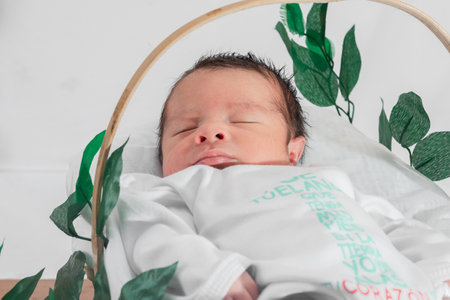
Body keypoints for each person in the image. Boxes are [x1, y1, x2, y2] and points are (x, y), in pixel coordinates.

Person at [105, 53, 450, 299]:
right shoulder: (186, 185)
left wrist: (439, 269)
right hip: (292, 289)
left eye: (241, 121)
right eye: (184, 128)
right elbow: (148, 227)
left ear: (293, 152)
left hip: (397, 288)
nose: (209, 133)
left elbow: (396, 229)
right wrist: (213, 275)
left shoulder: (331, 181)